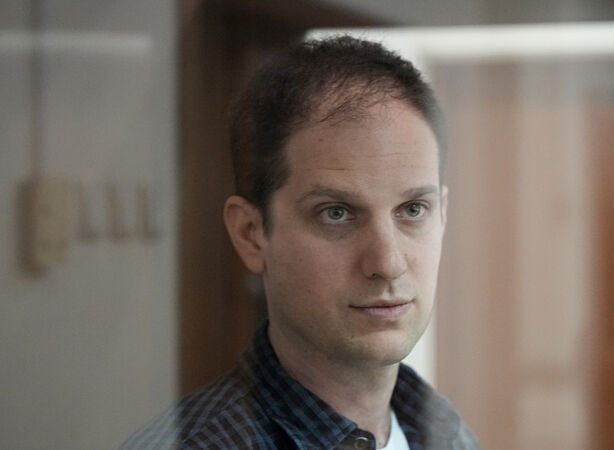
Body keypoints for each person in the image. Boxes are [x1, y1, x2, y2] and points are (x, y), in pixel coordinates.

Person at [121, 35, 478, 449]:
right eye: (336, 213)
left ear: (442, 214)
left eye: (413, 209)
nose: (388, 262)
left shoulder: (446, 433)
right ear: (251, 234)